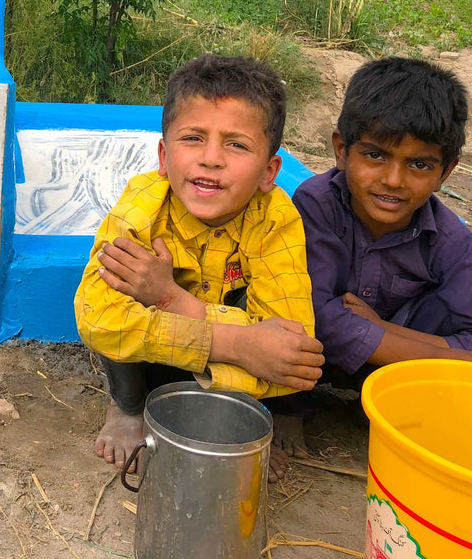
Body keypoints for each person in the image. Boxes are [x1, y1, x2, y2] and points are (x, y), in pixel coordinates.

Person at [74, 54, 323, 477]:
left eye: (237, 144)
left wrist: (172, 298)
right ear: (164, 156)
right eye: (193, 138)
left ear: (269, 171)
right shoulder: (142, 208)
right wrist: (237, 343)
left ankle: (231, 417)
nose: (211, 158)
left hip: (213, 375)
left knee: (285, 353)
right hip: (161, 358)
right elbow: (96, 318)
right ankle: (128, 407)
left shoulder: (274, 219)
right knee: (125, 287)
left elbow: (294, 355)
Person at [293, 57, 472, 391]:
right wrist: (443, 355)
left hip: (391, 375)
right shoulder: (316, 204)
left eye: (419, 164)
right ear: (342, 151)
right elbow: (316, 317)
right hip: (312, 364)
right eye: (375, 156)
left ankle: (384, 401)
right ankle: (291, 409)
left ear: (445, 172)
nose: (394, 179)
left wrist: (386, 331)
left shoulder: (448, 238)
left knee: (443, 307)